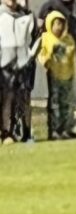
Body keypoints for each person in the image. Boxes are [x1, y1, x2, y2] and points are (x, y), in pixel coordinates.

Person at [0, 0, 38, 144]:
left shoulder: (27, 16)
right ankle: (6, 133)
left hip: (24, 64)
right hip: (5, 65)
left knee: (25, 98)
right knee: (7, 99)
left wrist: (31, 55)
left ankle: (27, 132)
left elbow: (35, 37)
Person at [38, 9, 76, 138]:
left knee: (66, 105)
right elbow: (41, 55)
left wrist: (75, 73)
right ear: (50, 24)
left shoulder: (69, 39)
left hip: (67, 76)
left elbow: (73, 58)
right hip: (53, 76)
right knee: (54, 105)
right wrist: (48, 58)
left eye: (61, 24)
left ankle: (65, 129)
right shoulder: (46, 38)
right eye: (56, 24)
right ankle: (54, 131)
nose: (59, 27)